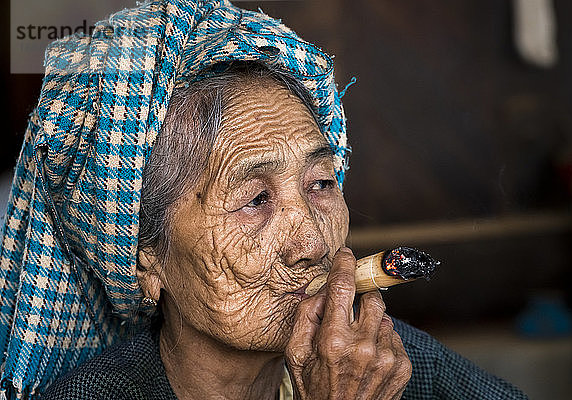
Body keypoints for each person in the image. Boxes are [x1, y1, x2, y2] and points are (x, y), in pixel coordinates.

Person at [0, 1, 528, 399]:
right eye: (255, 199)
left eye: (320, 184)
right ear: (147, 260)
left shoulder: (389, 365)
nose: (311, 242)